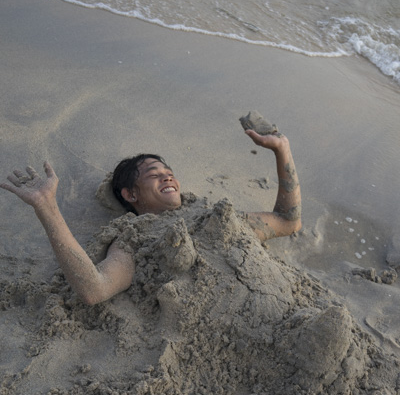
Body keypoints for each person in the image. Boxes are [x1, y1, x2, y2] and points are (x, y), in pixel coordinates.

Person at [0, 129, 301, 306]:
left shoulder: (217, 217)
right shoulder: (134, 240)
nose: (167, 177)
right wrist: (46, 207)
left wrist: (282, 150)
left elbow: (288, 221)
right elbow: (95, 288)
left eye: (169, 173)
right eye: (154, 175)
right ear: (131, 195)